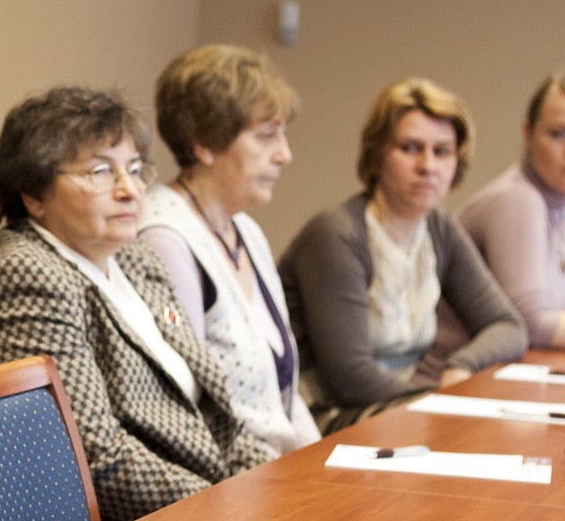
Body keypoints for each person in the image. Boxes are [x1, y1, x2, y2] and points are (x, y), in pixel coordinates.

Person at [0, 86, 274, 521]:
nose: (130, 190)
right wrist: (226, 507)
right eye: (101, 172)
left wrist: (275, 485)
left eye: (135, 170)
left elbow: (214, 418)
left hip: (191, 508)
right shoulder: (31, 275)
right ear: (34, 194)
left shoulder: (136, 259)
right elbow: (96, 458)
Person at [279, 78, 526, 433]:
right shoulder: (337, 235)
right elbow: (351, 378)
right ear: (377, 154)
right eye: (410, 148)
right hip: (321, 418)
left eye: (442, 152)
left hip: (398, 408)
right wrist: (441, 403)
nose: (428, 165)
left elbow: (507, 325)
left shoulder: (439, 227)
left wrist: (461, 366)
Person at [138, 44, 318, 457]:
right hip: (227, 475)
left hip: (278, 467)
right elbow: (186, 398)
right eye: (266, 136)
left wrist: (323, 462)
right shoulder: (165, 238)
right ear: (205, 144)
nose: (285, 155)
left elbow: (283, 396)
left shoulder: (246, 231)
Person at [457, 73, 565, 348]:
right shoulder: (517, 198)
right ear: (528, 134)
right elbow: (530, 326)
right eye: (558, 134)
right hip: (459, 368)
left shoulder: (557, 201)